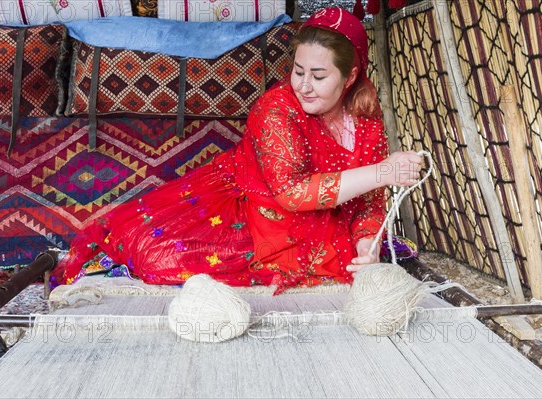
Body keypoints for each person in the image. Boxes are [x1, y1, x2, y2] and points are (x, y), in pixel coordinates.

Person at [52, 8, 423, 293]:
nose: (304, 86)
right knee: (155, 257)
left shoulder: (366, 121)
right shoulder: (275, 110)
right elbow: (291, 193)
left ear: (351, 76)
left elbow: (371, 202)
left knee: (355, 259)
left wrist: (367, 245)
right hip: (247, 207)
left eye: (319, 76)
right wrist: (382, 171)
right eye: (298, 71)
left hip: (320, 220)